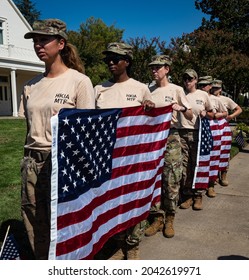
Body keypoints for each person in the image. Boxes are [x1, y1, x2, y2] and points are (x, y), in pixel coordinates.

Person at [18, 19, 95, 259]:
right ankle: (43, 262)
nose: (38, 45)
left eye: (44, 40)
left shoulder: (79, 81)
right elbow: (30, 127)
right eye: (35, 41)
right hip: (32, 159)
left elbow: (88, 131)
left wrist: (66, 121)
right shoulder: (31, 85)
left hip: (61, 161)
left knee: (62, 220)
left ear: (61, 43)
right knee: (32, 217)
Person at [94, 42, 154, 260]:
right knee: (109, 202)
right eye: (107, 59)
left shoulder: (140, 88)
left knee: (132, 200)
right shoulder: (98, 89)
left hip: (132, 158)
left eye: (115, 58)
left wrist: (150, 106)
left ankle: (132, 245)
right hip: (106, 157)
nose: (110, 62)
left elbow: (151, 123)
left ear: (127, 61)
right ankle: (116, 243)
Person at [144, 55, 193, 239]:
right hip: (152, 138)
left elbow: (189, 115)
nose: (154, 70)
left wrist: (181, 109)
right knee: (154, 179)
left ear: (167, 69)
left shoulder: (177, 90)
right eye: (152, 68)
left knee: (172, 178)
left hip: (171, 136)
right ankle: (158, 217)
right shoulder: (148, 89)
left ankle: (170, 217)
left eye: (157, 67)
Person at [179, 69, 214, 210]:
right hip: (181, 133)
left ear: (196, 80)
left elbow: (212, 113)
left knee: (198, 164)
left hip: (198, 134)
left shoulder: (203, 95)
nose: (188, 81)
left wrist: (206, 113)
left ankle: (198, 195)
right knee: (185, 166)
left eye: (190, 79)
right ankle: (187, 195)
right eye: (185, 78)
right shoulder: (179, 93)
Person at [198, 76, 228, 197]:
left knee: (213, 158)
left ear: (210, 86)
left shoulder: (215, 99)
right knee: (199, 160)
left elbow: (225, 112)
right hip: (198, 130)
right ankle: (197, 188)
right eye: (200, 85)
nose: (202, 87)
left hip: (213, 131)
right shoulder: (194, 96)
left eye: (205, 85)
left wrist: (216, 115)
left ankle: (211, 185)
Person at [212, 79, 242, 186]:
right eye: (213, 87)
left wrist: (230, 117)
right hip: (213, 129)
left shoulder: (226, 99)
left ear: (221, 88)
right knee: (214, 152)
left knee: (224, 151)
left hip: (223, 128)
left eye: (217, 87)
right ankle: (214, 175)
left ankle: (224, 173)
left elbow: (239, 109)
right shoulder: (208, 98)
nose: (215, 89)